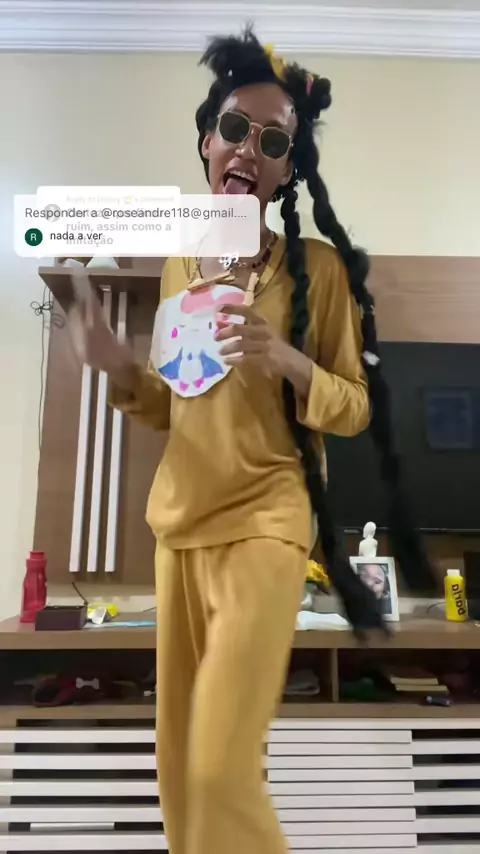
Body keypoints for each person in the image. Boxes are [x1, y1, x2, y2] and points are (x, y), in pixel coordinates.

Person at [69, 28, 435, 854]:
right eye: (236, 129)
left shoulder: (319, 273)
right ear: (208, 139)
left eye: (273, 143)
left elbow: (355, 407)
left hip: (268, 522)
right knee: (179, 773)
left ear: (284, 171)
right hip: (179, 528)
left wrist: (289, 359)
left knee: (219, 771)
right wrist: (118, 365)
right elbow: (172, 404)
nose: (249, 150)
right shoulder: (179, 267)